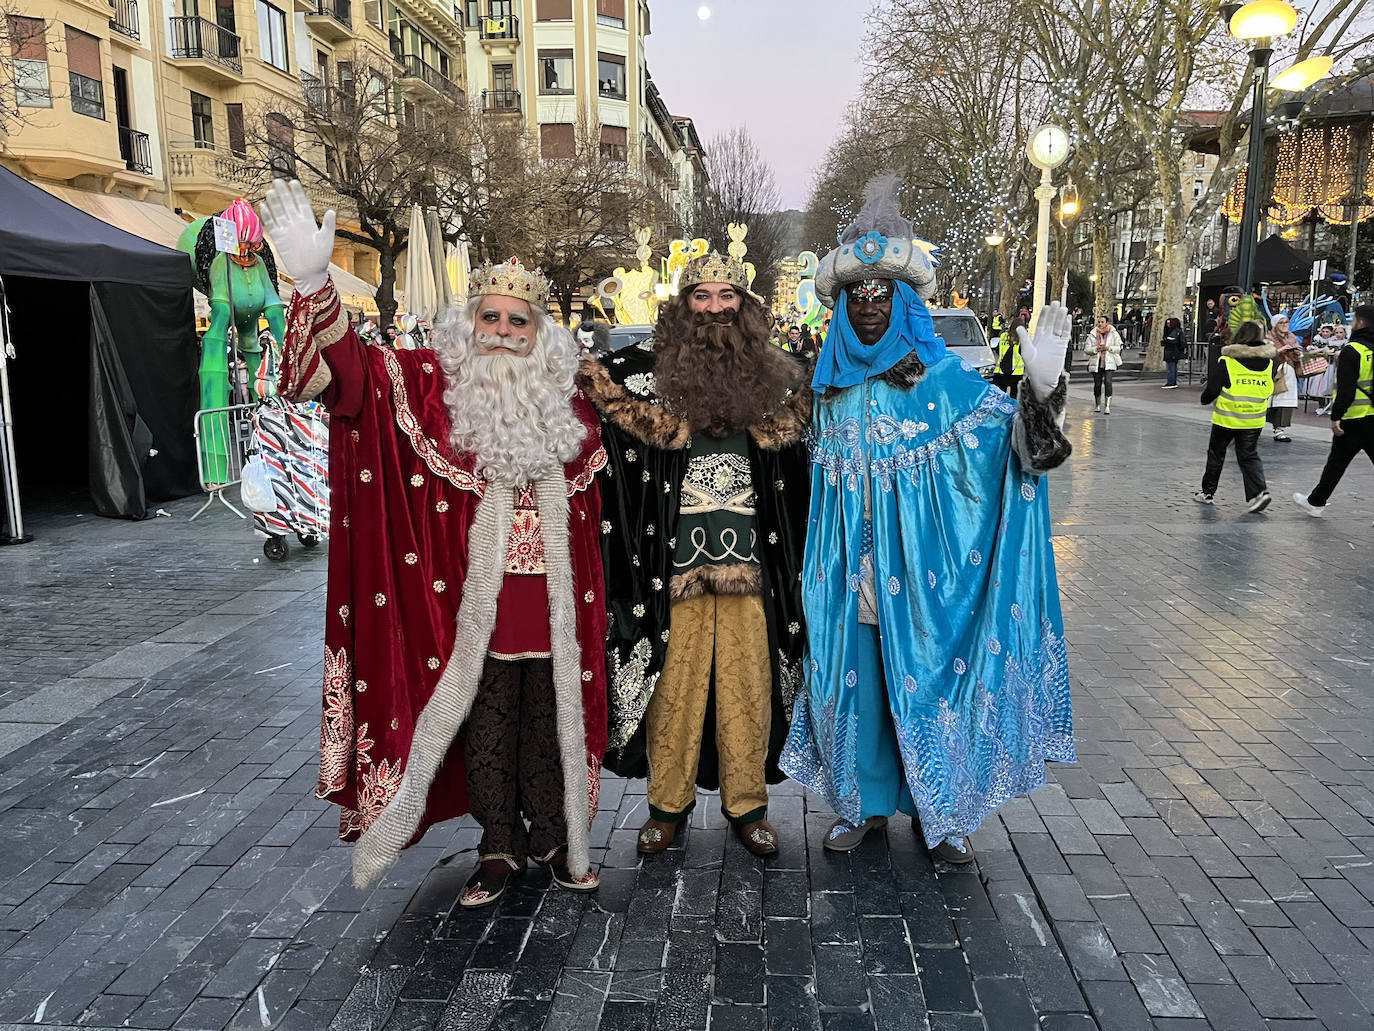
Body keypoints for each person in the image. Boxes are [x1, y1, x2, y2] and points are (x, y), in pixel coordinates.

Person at [260, 180, 609, 905]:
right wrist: (316, 281)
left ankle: (557, 834)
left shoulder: (570, 408)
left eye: (521, 322)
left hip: (552, 606)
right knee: (486, 721)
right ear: (470, 322)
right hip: (470, 608)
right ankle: (498, 846)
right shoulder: (428, 386)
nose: (505, 332)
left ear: (540, 335)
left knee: (551, 718)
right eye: (493, 318)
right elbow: (349, 379)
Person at [780, 175, 1075, 865]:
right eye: (858, 294)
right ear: (843, 304)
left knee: (931, 677)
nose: (871, 307)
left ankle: (942, 807)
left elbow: (1011, 448)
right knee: (857, 678)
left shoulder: (938, 378)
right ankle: (865, 803)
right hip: (846, 570)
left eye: (884, 294)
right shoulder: (823, 391)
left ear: (905, 298)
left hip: (925, 575)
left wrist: (1042, 392)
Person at [579, 251, 811, 859]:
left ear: (746, 307)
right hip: (670, 568)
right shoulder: (642, 378)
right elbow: (589, 409)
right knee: (674, 685)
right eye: (701, 297)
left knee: (748, 682)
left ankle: (748, 804)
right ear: (683, 308)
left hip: (756, 571)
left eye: (725, 296)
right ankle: (666, 807)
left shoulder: (784, 384)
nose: (714, 308)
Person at [1294, 304, 1374, 517]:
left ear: (1362, 323)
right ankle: (1316, 500)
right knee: (1337, 462)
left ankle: (1316, 502)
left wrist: (1336, 416)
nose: (1351, 324)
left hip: (1353, 417)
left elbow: (1346, 388)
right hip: (1371, 416)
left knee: (1337, 462)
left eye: (1354, 319)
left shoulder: (1352, 350)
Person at [1193, 319, 1275, 512]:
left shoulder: (1228, 361)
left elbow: (1211, 391)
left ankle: (1207, 493)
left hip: (1227, 417)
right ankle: (1260, 492)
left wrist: (1205, 399)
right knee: (1248, 455)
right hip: (1254, 419)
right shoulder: (1268, 363)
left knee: (1217, 454)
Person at [1268, 338, 1302, 443]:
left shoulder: (1291, 338)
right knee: (1269, 407)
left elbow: (1300, 369)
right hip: (1275, 379)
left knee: (1284, 408)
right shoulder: (1270, 339)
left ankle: (1279, 431)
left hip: (1288, 383)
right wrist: (1279, 351)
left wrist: (1297, 354)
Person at [1087, 314, 1123, 413]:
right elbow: (1087, 349)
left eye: (1102, 322)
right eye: (1099, 322)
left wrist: (1108, 348)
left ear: (1107, 323)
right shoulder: (1093, 334)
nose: (1100, 324)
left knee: (1108, 382)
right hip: (1097, 362)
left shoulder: (1113, 333)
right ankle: (1097, 404)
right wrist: (1096, 349)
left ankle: (1107, 406)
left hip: (1109, 361)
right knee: (1097, 384)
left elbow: (1119, 347)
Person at [994, 316, 1025, 397]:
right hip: (1016, 373)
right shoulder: (1022, 339)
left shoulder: (1003, 336)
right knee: (1014, 397)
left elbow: (997, 350)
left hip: (1001, 370)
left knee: (999, 397)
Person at [1162, 316, 1186, 388]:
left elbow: (1172, 341)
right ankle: (1172, 382)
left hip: (1172, 351)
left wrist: (1166, 341)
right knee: (1173, 367)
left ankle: (1171, 382)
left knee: (1171, 368)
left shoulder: (1174, 332)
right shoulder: (1177, 331)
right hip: (1173, 351)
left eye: (1169, 323)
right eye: (1167, 323)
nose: (1168, 325)